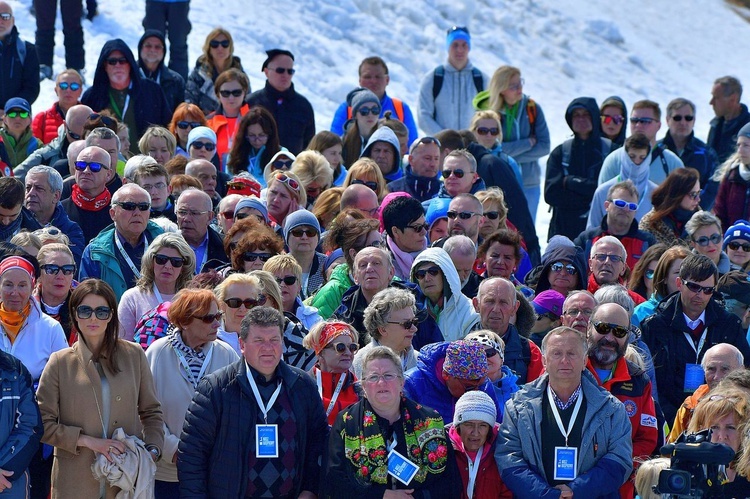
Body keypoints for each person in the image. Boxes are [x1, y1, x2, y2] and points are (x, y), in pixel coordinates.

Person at [178, 306, 327, 497]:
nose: (267, 348)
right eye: (259, 340)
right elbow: (192, 457)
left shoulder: (302, 386)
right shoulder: (216, 389)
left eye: (274, 340)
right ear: (241, 344)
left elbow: (318, 444)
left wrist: (310, 490)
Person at [36, 279, 164, 498]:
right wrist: (87, 441)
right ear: (75, 314)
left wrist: (152, 451)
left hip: (126, 480)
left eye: (101, 311)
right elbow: (41, 424)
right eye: (85, 310)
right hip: (75, 482)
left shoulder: (134, 355)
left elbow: (151, 412)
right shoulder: (59, 362)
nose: (93, 318)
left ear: (111, 315)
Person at [495, 326, 634, 498]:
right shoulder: (517, 406)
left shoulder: (611, 409)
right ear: (545, 361)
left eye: (572, 353)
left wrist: (577, 490)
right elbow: (508, 459)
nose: (564, 360)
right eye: (557, 353)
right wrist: (547, 495)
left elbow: (620, 461)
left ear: (584, 361)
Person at [325, 345, 460, 497]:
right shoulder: (346, 422)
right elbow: (334, 480)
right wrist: (382, 495)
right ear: (363, 386)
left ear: (401, 382)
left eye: (388, 375)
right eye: (373, 377)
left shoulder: (431, 420)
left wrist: (417, 497)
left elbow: (450, 482)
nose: (381, 383)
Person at [145, 288, 238, 498]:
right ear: (185, 321)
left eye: (218, 316)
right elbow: (145, 410)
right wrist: (174, 450)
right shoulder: (157, 353)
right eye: (208, 318)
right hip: (168, 473)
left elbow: (237, 410)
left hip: (213, 471)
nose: (216, 323)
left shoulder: (228, 354)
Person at [641, 254, 750, 424]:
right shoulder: (654, 326)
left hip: (720, 418)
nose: (700, 295)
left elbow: (744, 375)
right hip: (667, 418)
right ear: (679, 283)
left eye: (707, 290)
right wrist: (675, 418)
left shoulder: (729, 324)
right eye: (693, 287)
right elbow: (648, 382)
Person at [585, 303, 657, 498]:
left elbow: (647, 438)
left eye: (618, 331)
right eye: (602, 328)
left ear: (627, 337)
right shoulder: (570, 370)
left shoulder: (639, 381)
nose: (609, 337)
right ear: (588, 328)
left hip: (617, 486)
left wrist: (613, 467)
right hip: (571, 484)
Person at [476, 65, 551, 221]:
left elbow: (544, 146)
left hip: (529, 182)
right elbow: (487, 148)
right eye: (514, 86)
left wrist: (508, 159)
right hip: (497, 183)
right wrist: (527, 143)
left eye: (520, 83)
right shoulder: (489, 114)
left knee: (526, 230)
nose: (519, 89)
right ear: (501, 89)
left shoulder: (532, 109)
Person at [81, 39, 171, 155]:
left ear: (130, 64)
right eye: (112, 61)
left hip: (146, 162)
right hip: (105, 165)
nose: (118, 65)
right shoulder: (92, 96)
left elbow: (167, 125)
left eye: (122, 61)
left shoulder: (152, 90)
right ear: (105, 65)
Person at [79, 184, 165, 301]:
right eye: (129, 206)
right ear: (113, 213)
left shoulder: (166, 244)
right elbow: (87, 299)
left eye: (143, 207)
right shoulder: (94, 252)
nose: (137, 213)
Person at [545, 97, 612, 240]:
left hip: (601, 233)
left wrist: (570, 182)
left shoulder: (610, 151)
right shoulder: (560, 153)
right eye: (576, 115)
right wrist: (589, 195)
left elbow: (611, 191)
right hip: (563, 231)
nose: (581, 119)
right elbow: (551, 194)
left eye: (586, 114)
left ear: (594, 117)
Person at [403, 340, 502, 426]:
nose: (475, 393)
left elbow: (497, 428)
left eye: (480, 385)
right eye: (469, 388)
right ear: (446, 375)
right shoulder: (411, 384)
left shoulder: (484, 384)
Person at [118, 232, 195, 340]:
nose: (168, 266)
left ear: (183, 267)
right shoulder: (132, 298)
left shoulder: (193, 300)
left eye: (176, 262)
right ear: (151, 261)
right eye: (161, 259)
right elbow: (124, 346)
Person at [667, 343, 744, 443]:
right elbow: (671, 451)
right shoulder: (690, 407)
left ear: (740, 370)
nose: (717, 376)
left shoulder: (747, 405)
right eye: (711, 369)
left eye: (725, 369)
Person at [330, 56, 418, 143]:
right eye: (367, 77)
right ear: (360, 80)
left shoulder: (400, 108)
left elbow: (411, 146)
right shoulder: (347, 108)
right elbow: (335, 145)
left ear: (387, 80)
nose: (373, 81)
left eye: (378, 77)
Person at [474, 277, 544, 385]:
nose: (496, 309)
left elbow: (535, 394)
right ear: (476, 305)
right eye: (489, 301)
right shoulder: (460, 347)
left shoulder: (530, 351)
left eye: (503, 302)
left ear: (515, 308)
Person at [418, 26, 487, 134]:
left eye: (464, 45)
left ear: (469, 48)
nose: (460, 50)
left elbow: (489, 114)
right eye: (455, 45)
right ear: (448, 47)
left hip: (473, 147)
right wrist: (445, 139)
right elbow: (423, 116)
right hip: (441, 147)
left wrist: (474, 139)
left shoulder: (481, 79)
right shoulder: (433, 78)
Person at [598, 100, 684, 187]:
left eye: (645, 121)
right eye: (634, 120)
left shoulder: (672, 163)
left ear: (658, 126)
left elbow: (682, 198)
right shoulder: (614, 160)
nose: (638, 125)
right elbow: (602, 197)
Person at [575, 179, 655, 271]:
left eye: (632, 206)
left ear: (635, 211)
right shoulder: (586, 240)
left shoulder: (648, 243)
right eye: (620, 203)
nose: (626, 209)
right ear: (607, 206)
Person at [247, 49, 315, 155]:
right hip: (255, 167)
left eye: (290, 71)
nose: (285, 75)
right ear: (266, 72)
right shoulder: (251, 102)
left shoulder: (303, 106)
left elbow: (310, 145)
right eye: (280, 70)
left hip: (293, 168)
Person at [312, 217, 381, 318]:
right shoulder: (332, 292)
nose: (382, 250)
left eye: (382, 243)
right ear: (354, 254)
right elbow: (319, 332)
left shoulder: (394, 282)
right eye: (375, 245)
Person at [587, 133, 658, 231]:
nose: (637, 162)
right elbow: (592, 230)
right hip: (607, 244)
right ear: (625, 156)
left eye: (642, 157)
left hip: (644, 245)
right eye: (632, 156)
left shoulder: (656, 193)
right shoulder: (603, 191)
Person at [687, 387, 750, 496]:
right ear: (701, 430)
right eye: (714, 427)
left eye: (730, 428)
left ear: (744, 431)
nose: (722, 436)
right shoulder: (689, 472)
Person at [658, 98, 720, 210]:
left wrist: (696, 211)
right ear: (667, 120)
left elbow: (712, 188)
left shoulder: (707, 154)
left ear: (694, 121)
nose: (683, 122)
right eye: (677, 118)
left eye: (688, 118)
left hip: (694, 218)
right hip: (659, 213)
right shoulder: (657, 150)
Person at [448, 390, 510, 499]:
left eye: (483, 426)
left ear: (489, 429)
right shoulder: (442, 449)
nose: (475, 433)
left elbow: (508, 494)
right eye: (469, 424)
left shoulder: (503, 451)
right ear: (458, 426)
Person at [411, 247, 480, 340]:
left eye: (433, 272)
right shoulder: (412, 312)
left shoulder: (470, 312)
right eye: (421, 274)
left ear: (446, 274)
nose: (427, 278)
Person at [301, 321, 359, 426]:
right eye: (340, 348)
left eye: (352, 347)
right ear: (320, 353)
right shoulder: (302, 386)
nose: (348, 353)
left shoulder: (360, 390)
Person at [184, 28, 247, 116]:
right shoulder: (198, 76)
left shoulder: (240, 75)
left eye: (225, 44)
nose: (220, 48)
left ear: (230, 47)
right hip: (205, 125)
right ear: (208, 48)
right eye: (214, 44)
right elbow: (189, 105)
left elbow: (247, 103)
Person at [638, 167, 701, 247]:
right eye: (693, 195)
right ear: (678, 194)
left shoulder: (702, 223)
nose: (698, 199)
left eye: (699, 193)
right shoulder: (650, 224)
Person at [632, 245, 689, 326]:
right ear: (664, 277)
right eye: (678, 272)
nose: (685, 278)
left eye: (689, 272)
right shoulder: (641, 313)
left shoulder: (705, 310)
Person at [263, 254, 322, 330]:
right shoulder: (253, 316)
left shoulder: (314, 319)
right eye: (276, 280)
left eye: (289, 280)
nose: (282, 284)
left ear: (299, 286)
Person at [175, 188, 228, 272]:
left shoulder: (226, 247)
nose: (187, 219)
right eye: (182, 212)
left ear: (210, 217)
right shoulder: (165, 246)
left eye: (194, 213)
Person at [206, 68, 250, 168]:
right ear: (218, 94)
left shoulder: (254, 120)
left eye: (236, 93)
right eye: (225, 93)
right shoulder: (208, 122)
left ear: (245, 92)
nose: (231, 98)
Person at [34, 243, 77, 344]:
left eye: (67, 270)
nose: (60, 276)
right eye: (52, 269)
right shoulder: (25, 306)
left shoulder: (84, 305)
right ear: (39, 273)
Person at [226, 106, 281, 184]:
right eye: (252, 135)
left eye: (262, 135)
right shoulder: (234, 155)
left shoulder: (281, 154)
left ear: (270, 134)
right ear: (244, 135)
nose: (257, 140)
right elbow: (229, 181)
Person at [0, 2, 39, 109]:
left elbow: (31, 88)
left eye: (5, 17)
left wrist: (11, 109)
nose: (1, 21)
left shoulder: (27, 50)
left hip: (17, 117)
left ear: (13, 21)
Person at [586, 236, 646, 305]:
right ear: (590, 264)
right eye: (601, 257)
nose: (607, 262)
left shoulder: (637, 303)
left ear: (623, 268)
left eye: (614, 258)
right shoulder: (577, 299)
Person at [137, 30, 185, 114]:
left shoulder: (175, 81)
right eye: (148, 46)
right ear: (140, 48)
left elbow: (180, 114)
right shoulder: (128, 75)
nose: (152, 50)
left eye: (158, 47)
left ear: (164, 51)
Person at [714, 122, 750, 230]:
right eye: (739, 145)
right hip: (733, 244)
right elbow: (719, 214)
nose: (740, 150)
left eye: (746, 145)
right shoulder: (731, 176)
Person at [142, 0, 191, 80]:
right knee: (152, 44)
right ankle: (148, 83)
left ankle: (178, 86)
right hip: (155, 3)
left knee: (178, 46)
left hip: (179, 3)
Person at [32, 70, 83, 145]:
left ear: (80, 91)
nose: (68, 90)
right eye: (63, 86)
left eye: (74, 86)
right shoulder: (41, 119)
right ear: (56, 90)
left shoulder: (91, 118)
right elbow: (33, 150)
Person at [708, 76, 750, 163]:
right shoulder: (716, 125)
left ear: (733, 99)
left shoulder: (747, 128)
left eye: (716, 98)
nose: (711, 102)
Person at [340, 88, 381, 168]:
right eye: (364, 111)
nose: (370, 115)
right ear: (355, 115)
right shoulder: (344, 142)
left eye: (375, 110)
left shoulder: (385, 138)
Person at [1, 98, 42, 169]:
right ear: (4, 119)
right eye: (12, 114)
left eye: (23, 114)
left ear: (30, 120)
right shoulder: (0, 141)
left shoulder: (37, 145)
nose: (17, 118)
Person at [0, 178, 41, 243]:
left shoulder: (35, 230)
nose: (6, 222)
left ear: (23, 204)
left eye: (13, 215)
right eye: (1, 215)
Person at [444, 234, 482, 299]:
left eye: (467, 271)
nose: (461, 277)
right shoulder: (432, 281)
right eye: (457, 270)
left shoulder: (480, 290)